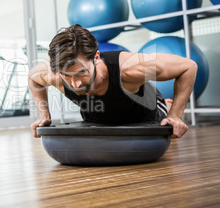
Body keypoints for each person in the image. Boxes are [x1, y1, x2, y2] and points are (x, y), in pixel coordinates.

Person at [29, 24, 196, 139]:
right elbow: (33, 78)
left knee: (163, 110)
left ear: (96, 57)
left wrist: (175, 116)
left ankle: (167, 104)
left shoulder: (129, 68)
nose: (75, 84)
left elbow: (188, 67)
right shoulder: (55, 74)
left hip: (145, 114)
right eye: (67, 76)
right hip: (99, 119)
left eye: (81, 73)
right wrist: (44, 115)